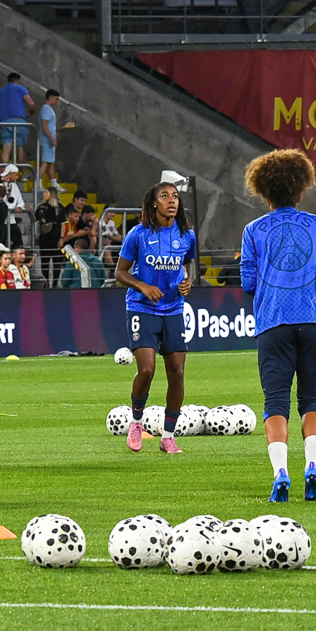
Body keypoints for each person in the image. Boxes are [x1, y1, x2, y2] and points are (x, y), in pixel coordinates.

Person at [238, 150, 316, 502]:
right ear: (302, 189)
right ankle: (312, 466)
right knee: (313, 399)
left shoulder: (253, 230)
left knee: (275, 401)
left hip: (273, 323)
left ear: (263, 191)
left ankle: (280, 473)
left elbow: (248, 283)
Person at [115, 181, 199, 454]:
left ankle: (168, 436)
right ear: (153, 203)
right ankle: (137, 423)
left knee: (177, 373)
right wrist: (142, 286)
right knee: (147, 370)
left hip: (173, 309)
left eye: (175, 196)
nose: (171, 200)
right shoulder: (138, 234)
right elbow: (120, 273)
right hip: (142, 307)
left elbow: (188, 265)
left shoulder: (187, 235)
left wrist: (187, 282)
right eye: (165, 196)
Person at [0, 71, 32, 162]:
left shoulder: (0, 92)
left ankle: (4, 171)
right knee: (20, 147)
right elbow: (31, 103)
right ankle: (24, 172)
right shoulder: (20, 89)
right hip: (18, 121)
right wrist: (30, 113)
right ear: (18, 81)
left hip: (4, 122)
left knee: (6, 147)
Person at [38, 88, 61, 184]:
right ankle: (38, 183)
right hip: (47, 140)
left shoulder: (48, 109)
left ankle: (53, 183)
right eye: (56, 99)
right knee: (46, 162)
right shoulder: (46, 109)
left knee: (51, 162)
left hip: (49, 139)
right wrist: (51, 138)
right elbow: (44, 125)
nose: (56, 101)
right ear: (50, 98)